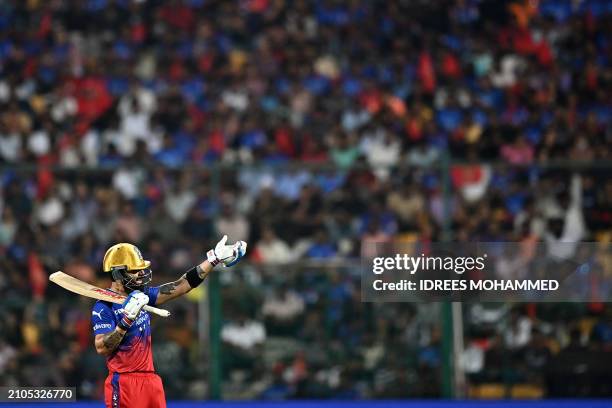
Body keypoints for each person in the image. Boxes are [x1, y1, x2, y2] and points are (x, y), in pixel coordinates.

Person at [91, 236, 247, 408]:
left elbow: (182, 285)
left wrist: (213, 260)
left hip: (151, 381)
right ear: (118, 273)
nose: (142, 274)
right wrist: (126, 321)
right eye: (136, 270)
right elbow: (102, 347)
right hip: (124, 382)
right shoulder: (103, 307)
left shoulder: (143, 295)